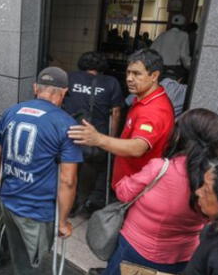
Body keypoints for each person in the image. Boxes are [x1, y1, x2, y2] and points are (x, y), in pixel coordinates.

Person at [98, 109, 218, 275]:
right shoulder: (217, 179)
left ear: (180, 135)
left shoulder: (160, 167)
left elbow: (123, 193)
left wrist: (126, 178)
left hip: (136, 249)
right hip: (182, 256)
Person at [0, 67, 83, 275]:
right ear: (64, 91)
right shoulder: (66, 124)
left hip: (9, 201)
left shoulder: (11, 111)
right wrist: (63, 221)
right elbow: (68, 181)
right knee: (32, 268)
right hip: (37, 211)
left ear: (35, 88)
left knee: (19, 257)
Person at [68, 49, 174, 190]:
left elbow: (138, 148)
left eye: (137, 74)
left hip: (137, 186)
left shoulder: (154, 110)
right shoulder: (143, 99)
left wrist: (98, 139)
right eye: (128, 72)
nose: (129, 78)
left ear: (154, 75)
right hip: (129, 182)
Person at [62, 51, 122, 214]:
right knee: (103, 167)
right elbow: (115, 113)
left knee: (72, 170)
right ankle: (94, 202)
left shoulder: (70, 78)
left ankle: (71, 204)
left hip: (72, 135)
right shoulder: (111, 83)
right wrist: (111, 139)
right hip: (98, 136)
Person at [151, 14, 191, 80]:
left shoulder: (163, 34)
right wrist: (189, 67)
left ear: (171, 24)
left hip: (161, 68)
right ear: (183, 26)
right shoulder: (184, 35)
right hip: (175, 69)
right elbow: (184, 55)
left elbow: (152, 50)